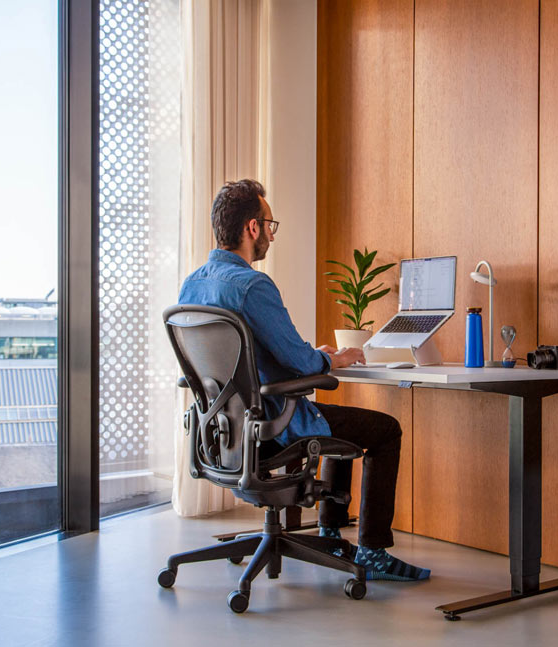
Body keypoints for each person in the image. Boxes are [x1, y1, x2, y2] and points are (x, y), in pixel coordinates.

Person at [177, 179, 429, 582]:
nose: (271, 236)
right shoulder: (252, 285)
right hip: (271, 427)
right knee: (385, 430)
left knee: (334, 422)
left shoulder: (191, 285)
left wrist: (315, 357)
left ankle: (330, 532)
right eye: (269, 225)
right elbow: (297, 360)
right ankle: (373, 552)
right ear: (252, 228)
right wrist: (331, 358)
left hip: (223, 433)